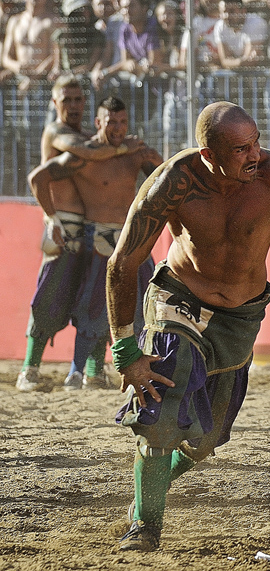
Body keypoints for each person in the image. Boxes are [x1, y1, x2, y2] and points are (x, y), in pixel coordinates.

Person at [104, 101, 270, 551]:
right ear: (210, 155)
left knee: (207, 439)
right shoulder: (174, 183)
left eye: (257, 143)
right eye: (241, 149)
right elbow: (121, 264)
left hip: (241, 316)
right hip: (179, 299)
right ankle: (146, 524)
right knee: (165, 405)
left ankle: (152, 488)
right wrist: (126, 352)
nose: (254, 155)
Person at [27, 96, 164, 390]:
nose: (117, 128)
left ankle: (120, 372)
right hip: (97, 242)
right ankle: (77, 372)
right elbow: (38, 177)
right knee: (94, 309)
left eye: (122, 122)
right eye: (111, 122)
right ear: (98, 122)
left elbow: (167, 178)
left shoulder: (138, 153)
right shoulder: (82, 157)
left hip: (132, 242)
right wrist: (52, 219)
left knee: (143, 309)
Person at [1, 0, 55, 94]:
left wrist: (35, 78)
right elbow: (5, 57)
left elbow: (55, 54)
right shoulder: (15, 21)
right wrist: (16, 66)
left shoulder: (52, 22)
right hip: (18, 82)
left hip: (44, 84)